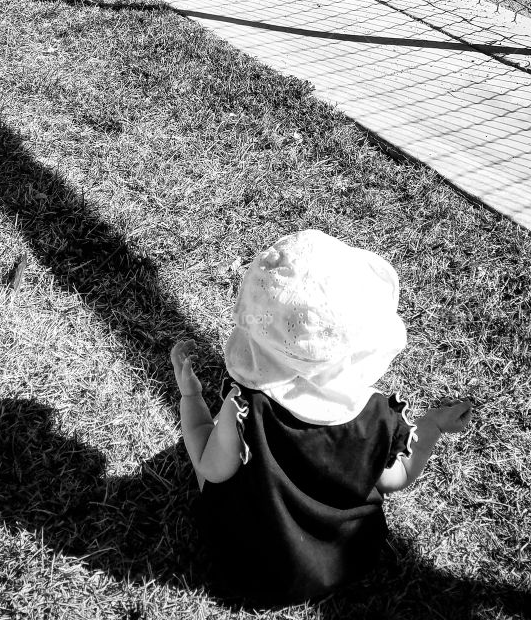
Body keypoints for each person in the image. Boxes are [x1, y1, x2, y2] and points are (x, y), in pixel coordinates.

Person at [170, 230, 472, 608]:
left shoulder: (244, 407)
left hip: (254, 568)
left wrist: (191, 398)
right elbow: (397, 478)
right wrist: (433, 426)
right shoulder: (375, 415)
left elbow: (208, 467)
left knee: (215, 462)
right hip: (348, 558)